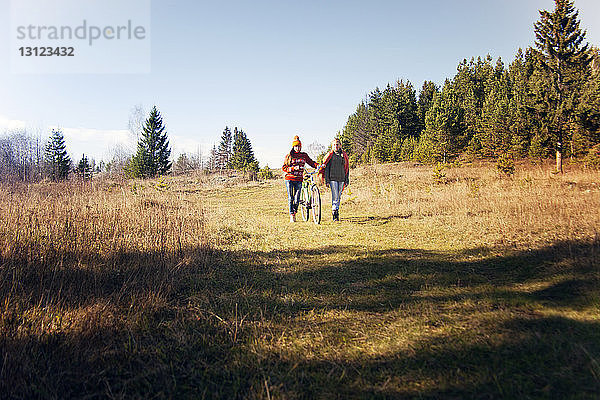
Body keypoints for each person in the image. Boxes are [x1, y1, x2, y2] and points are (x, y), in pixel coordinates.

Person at [282, 135, 318, 222]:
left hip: (299, 179)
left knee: (297, 198)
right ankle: (292, 215)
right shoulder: (289, 156)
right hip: (289, 179)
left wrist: (318, 165)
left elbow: (311, 162)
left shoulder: (304, 155)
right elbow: (284, 168)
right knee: (291, 197)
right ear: (293, 147)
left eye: (299, 146)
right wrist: (293, 168)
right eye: (296, 146)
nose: (298, 148)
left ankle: (295, 211)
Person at [320, 138, 349, 222]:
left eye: (337, 144)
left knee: (339, 196)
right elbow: (326, 168)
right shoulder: (330, 155)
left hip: (341, 178)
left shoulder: (344, 155)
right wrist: (327, 180)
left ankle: (336, 211)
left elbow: (346, 168)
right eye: (334, 145)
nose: (336, 146)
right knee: (335, 196)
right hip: (333, 178)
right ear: (332, 146)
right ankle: (334, 213)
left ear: (340, 145)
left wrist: (347, 179)